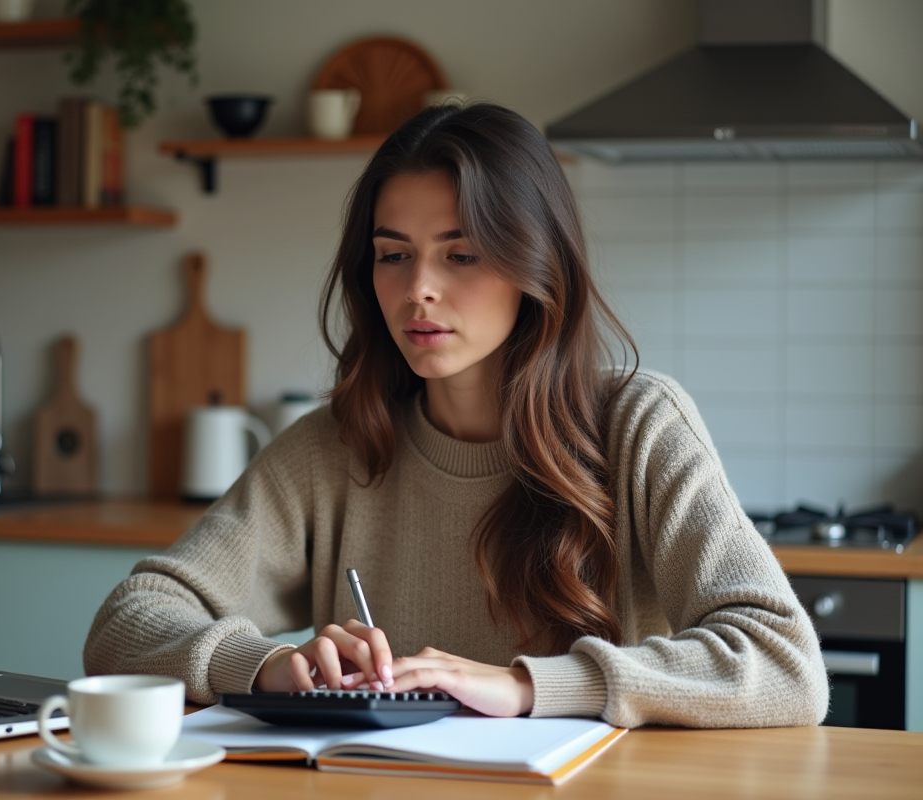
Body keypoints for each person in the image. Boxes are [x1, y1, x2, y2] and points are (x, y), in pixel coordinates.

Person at [84, 103, 828, 728]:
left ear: (536, 265)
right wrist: (271, 665)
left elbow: (785, 665)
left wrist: (528, 686)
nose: (418, 291)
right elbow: (128, 622)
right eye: (393, 255)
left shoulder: (640, 425)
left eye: (461, 255)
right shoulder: (333, 448)